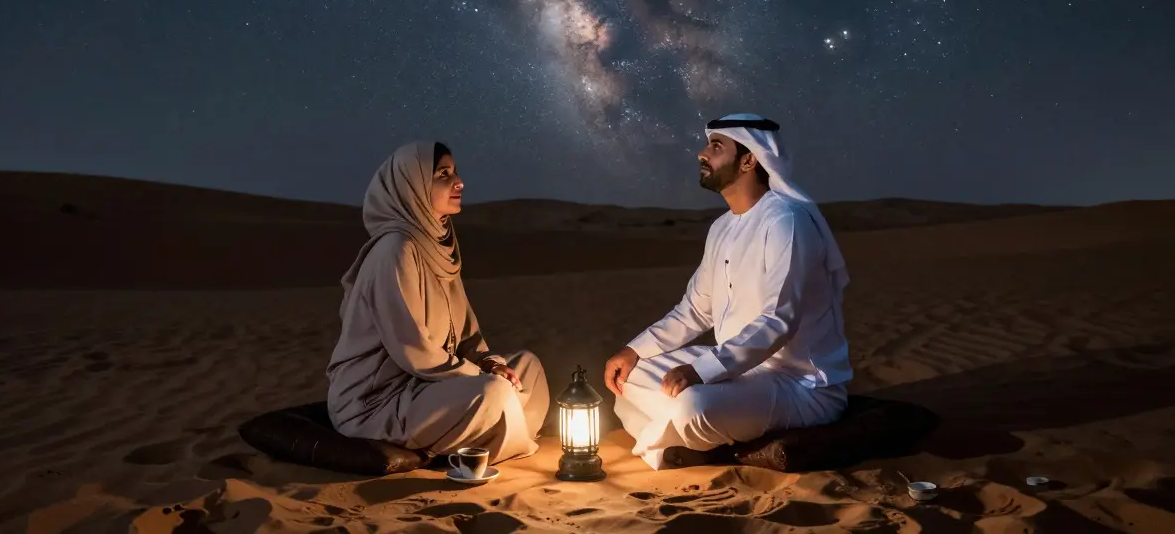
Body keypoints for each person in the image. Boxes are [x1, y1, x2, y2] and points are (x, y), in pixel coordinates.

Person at [603, 113, 852, 470]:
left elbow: (778, 319)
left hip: (798, 386)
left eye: (716, 147)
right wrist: (634, 350)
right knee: (628, 378)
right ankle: (679, 439)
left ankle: (676, 440)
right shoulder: (721, 228)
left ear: (749, 160)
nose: (702, 154)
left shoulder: (787, 221)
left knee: (692, 407)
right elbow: (695, 310)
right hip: (736, 373)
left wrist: (702, 370)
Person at [326, 141, 549, 463]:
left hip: (433, 386)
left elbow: (467, 335)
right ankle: (490, 436)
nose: (459, 183)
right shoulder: (396, 249)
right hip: (379, 402)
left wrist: (492, 364)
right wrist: (481, 377)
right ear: (412, 185)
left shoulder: (437, 246)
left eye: (455, 173)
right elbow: (412, 350)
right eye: (443, 174)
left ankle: (488, 433)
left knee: (527, 367)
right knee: (494, 392)